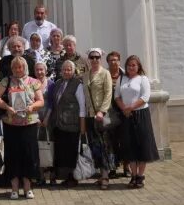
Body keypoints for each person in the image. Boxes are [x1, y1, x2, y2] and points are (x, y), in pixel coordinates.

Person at [0, 56, 45, 200]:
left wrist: (32, 107)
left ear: (25, 67)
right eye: (15, 67)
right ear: (12, 68)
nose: (18, 69)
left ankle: (28, 188)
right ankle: (14, 189)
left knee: (29, 155)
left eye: (20, 67)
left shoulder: (33, 82)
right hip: (11, 125)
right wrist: (7, 107)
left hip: (29, 124)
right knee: (13, 155)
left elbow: (41, 101)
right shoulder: (6, 81)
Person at [115, 55, 160, 189]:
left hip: (141, 115)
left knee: (142, 144)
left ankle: (140, 175)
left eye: (134, 65)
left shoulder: (142, 79)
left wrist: (131, 107)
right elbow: (117, 96)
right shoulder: (121, 79)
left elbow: (145, 97)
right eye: (129, 65)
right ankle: (133, 175)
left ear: (138, 66)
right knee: (129, 145)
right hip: (126, 116)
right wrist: (124, 108)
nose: (131, 67)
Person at [48, 60, 86, 187]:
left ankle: (72, 177)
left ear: (73, 71)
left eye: (69, 69)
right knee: (62, 151)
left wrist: (82, 126)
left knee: (71, 151)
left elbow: (82, 106)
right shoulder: (58, 83)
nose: (66, 71)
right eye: (64, 69)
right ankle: (64, 176)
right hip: (59, 124)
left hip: (72, 123)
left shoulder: (77, 84)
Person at [84, 47, 114, 189]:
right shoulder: (86, 75)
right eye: (92, 57)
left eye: (97, 57)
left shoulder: (105, 73)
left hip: (101, 115)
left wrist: (102, 111)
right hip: (90, 115)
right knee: (94, 145)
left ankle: (106, 176)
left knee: (104, 145)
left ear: (100, 59)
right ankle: (101, 175)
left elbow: (108, 94)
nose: (94, 60)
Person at [106, 51, 128, 178]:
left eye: (116, 60)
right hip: (109, 113)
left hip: (124, 112)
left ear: (119, 61)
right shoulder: (105, 75)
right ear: (108, 62)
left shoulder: (126, 76)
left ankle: (126, 166)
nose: (114, 62)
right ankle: (112, 167)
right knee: (111, 141)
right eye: (111, 60)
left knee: (125, 140)